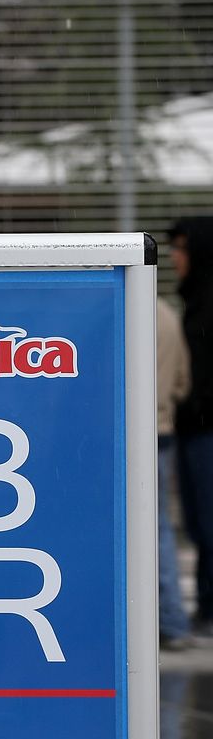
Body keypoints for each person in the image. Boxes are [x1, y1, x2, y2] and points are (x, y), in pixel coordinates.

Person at [173, 216, 213, 635]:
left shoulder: (206, 303)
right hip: (194, 427)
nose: (173, 256)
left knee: (206, 520)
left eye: (182, 248)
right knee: (200, 521)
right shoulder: (195, 300)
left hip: (203, 428)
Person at [157, 293, 193, 649]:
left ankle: (169, 620)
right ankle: (173, 621)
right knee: (158, 527)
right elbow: (183, 382)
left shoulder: (120, 312)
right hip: (162, 430)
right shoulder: (167, 316)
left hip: (129, 435)